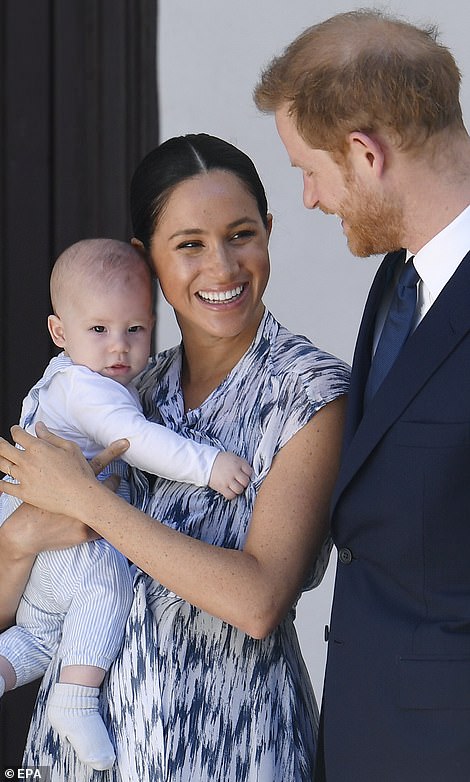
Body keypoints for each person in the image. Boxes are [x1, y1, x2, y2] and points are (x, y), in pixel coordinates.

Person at [0, 133, 349, 782]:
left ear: (269, 233)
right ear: (147, 261)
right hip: (79, 761)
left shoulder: (309, 395)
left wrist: (86, 501)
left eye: (241, 234)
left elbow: (258, 600)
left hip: (226, 749)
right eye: (188, 244)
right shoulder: (120, 390)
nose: (221, 267)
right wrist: (20, 537)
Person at [253, 8, 470, 782]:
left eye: (308, 171)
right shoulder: (395, 281)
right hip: (362, 743)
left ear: (365, 153)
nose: (308, 198)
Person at [0, 237, 252, 772]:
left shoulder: (70, 376)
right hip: (64, 532)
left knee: (44, 631)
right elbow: (136, 439)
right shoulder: (92, 390)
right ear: (59, 332)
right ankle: (75, 696)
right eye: (99, 331)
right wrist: (209, 466)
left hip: (39, 532)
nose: (119, 347)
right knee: (111, 574)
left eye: (135, 330)